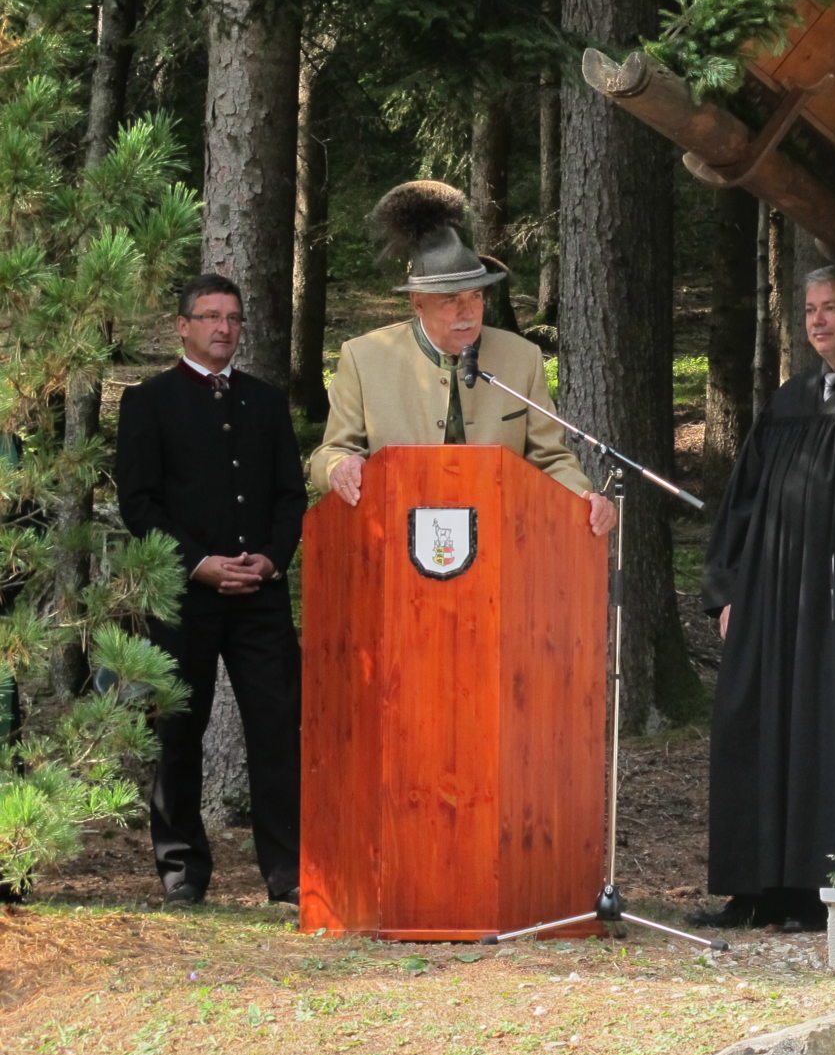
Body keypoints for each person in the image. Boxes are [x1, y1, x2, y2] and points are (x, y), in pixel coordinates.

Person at [693, 266, 835, 932]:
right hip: (771, 594)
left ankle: (821, 890)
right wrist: (729, 589)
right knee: (753, 725)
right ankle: (754, 888)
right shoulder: (788, 401)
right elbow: (744, 502)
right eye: (810, 310)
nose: (818, 320)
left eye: (832, 308)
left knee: (833, 733)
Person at [116, 273, 307, 906]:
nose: (223, 328)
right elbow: (138, 504)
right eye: (210, 317)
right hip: (183, 595)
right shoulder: (149, 402)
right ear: (183, 325)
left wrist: (272, 561)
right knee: (177, 731)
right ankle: (182, 870)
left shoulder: (267, 401)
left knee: (277, 729)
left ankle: (287, 872)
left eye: (233, 317)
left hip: (260, 595)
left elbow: (289, 496)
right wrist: (197, 563)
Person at [308, 181, 616, 539]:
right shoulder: (364, 358)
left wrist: (581, 495)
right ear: (418, 303)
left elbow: (549, 459)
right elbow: (331, 451)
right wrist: (338, 466)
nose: (468, 312)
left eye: (476, 296)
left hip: (501, 540)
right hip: (395, 540)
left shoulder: (521, 358)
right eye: (451, 299)